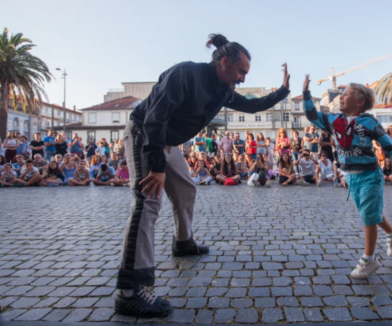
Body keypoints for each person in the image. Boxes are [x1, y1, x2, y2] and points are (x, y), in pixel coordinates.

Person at [116, 33, 291, 317]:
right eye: (241, 71)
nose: (243, 78)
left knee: (187, 188)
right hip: (144, 135)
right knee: (147, 201)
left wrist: (283, 90)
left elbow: (251, 104)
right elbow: (154, 118)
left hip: (168, 142)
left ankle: (183, 243)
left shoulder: (222, 89)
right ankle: (130, 291)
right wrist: (157, 167)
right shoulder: (184, 74)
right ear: (224, 62)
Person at [303, 75, 392, 279]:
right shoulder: (334, 120)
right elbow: (312, 116)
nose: (340, 97)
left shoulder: (368, 121)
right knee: (371, 212)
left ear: (359, 102)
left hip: (370, 175)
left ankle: (369, 259)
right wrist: (306, 94)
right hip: (351, 177)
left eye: (346, 94)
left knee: (368, 215)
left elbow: (387, 142)